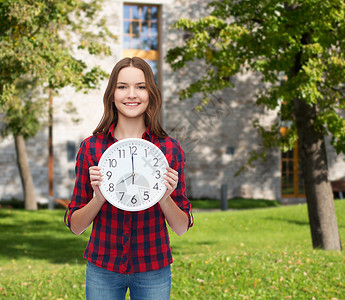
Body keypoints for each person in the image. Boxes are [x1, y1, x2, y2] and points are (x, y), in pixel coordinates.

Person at [64, 57, 193, 300]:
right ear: (112, 93)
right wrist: (99, 198)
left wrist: (165, 197)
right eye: (122, 86)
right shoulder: (91, 148)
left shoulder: (169, 150)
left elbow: (181, 228)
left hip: (153, 266)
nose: (131, 94)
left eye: (140, 87)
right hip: (103, 266)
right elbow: (75, 225)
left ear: (151, 94)